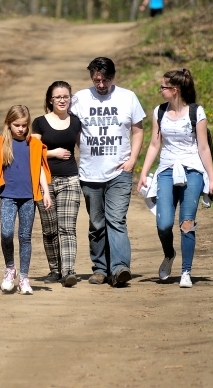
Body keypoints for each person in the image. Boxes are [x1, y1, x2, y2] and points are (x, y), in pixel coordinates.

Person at [137, 69, 213, 288]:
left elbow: (203, 148)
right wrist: (144, 173)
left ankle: (186, 272)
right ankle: (169, 254)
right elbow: (155, 144)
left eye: (163, 87)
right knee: (163, 224)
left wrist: (211, 179)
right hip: (166, 170)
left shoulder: (197, 113)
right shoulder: (159, 111)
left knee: (187, 223)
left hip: (192, 170)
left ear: (175, 90)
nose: (160, 90)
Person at [70, 57, 145, 287]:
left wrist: (132, 159)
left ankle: (120, 267)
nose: (101, 84)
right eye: (96, 80)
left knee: (116, 220)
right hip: (89, 173)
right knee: (96, 224)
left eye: (105, 80)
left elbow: (138, 130)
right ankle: (100, 269)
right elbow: (70, 129)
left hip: (119, 171)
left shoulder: (128, 97)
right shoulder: (80, 99)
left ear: (113, 77)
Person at [0, 105, 52, 295]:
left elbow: (40, 169)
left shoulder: (33, 144)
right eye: (17, 125)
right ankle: (10, 269)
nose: (21, 129)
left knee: (25, 237)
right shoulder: (0, 144)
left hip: (28, 197)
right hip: (8, 196)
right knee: (6, 233)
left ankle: (24, 277)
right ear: (8, 124)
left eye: (25, 125)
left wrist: (46, 192)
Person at [31, 81, 82, 287]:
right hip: (45, 181)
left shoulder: (76, 122)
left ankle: (68, 271)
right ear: (50, 100)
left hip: (70, 179)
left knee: (67, 227)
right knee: (49, 229)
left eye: (66, 96)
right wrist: (53, 153)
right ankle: (55, 269)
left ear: (70, 99)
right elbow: (34, 153)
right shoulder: (39, 123)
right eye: (58, 97)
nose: (62, 100)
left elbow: (85, 149)